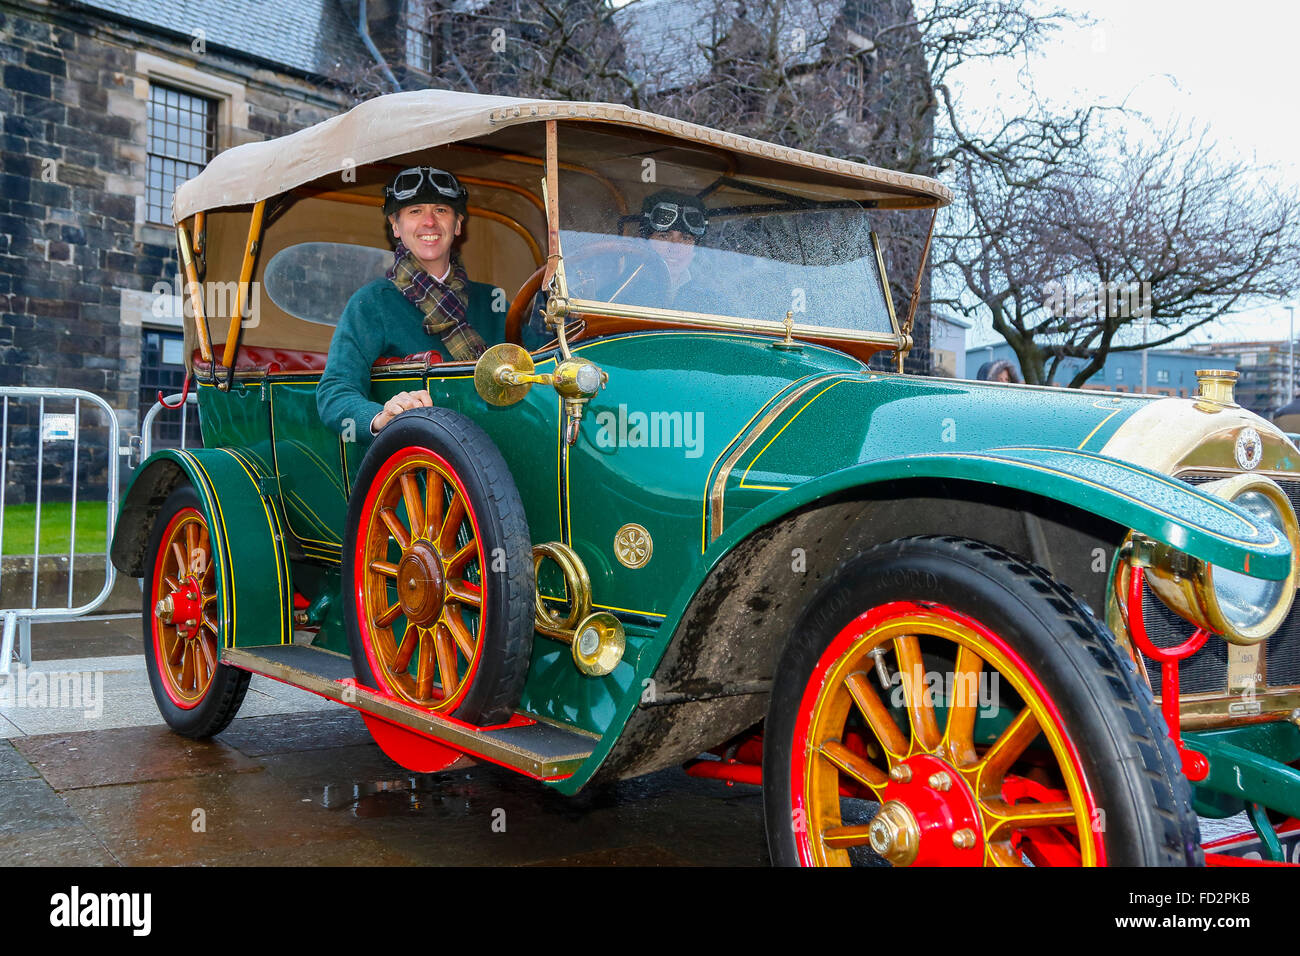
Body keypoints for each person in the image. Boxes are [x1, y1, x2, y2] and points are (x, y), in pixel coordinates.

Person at [317, 166, 513, 440]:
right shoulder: (372, 303)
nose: (429, 222)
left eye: (441, 210)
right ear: (395, 226)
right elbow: (335, 391)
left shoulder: (494, 302)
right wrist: (382, 417)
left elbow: (541, 372)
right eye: (415, 211)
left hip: (502, 443)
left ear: (457, 224)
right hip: (416, 461)